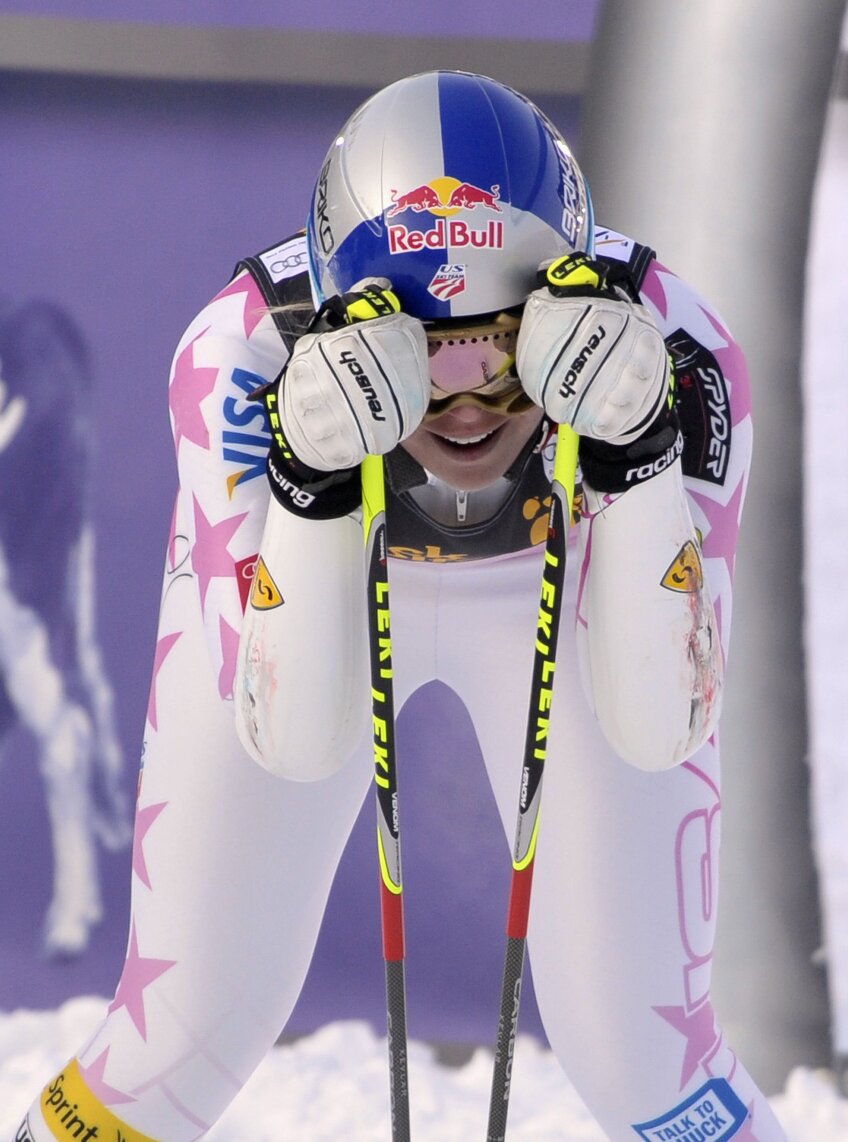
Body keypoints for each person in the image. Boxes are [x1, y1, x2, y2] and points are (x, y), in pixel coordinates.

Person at [16, 71, 787, 1141]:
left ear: (569, 303)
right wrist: (311, 480)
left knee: (646, 1056)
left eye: (509, 353)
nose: (467, 404)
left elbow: (664, 722)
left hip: (562, 585)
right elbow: (289, 736)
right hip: (323, 561)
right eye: (420, 357)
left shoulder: (676, 353)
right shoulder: (241, 353)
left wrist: (637, 452)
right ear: (343, 316)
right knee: (177, 1032)